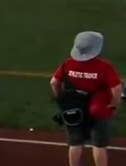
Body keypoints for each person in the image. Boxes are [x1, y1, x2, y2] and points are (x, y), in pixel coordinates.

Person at [51, 31, 122, 166]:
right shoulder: (104, 66)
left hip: (75, 109)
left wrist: (61, 99)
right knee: (99, 145)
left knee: (75, 142)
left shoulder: (67, 64)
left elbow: (54, 83)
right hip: (98, 110)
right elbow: (117, 89)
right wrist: (114, 105)